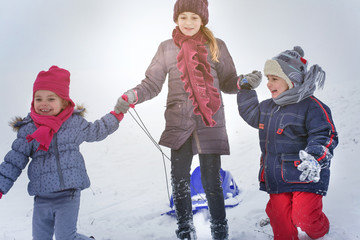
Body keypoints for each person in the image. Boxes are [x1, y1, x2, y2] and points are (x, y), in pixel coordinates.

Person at [114, 0, 261, 239]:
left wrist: (243, 82)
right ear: (176, 19)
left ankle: (219, 230)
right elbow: (152, 83)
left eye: (194, 17)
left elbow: (227, 81)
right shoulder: (166, 48)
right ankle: (185, 230)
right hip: (178, 121)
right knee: (180, 180)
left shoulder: (216, 45)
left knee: (212, 182)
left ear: (203, 19)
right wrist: (132, 95)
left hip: (210, 122)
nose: (189, 23)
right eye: (183, 17)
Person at [0, 66, 124, 240]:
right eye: (38, 98)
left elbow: (96, 131)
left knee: (66, 237)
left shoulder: (74, 124)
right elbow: (14, 161)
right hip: (41, 197)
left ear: (64, 102)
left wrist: (116, 115)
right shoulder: (29, 129)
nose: (43, 103)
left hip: (68, 194)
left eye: (51, 99)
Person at [237, 46, 338, 240]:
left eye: (274, 78)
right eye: (267, 79)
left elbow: (325, 134)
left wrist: (315, 157)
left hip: (305, 175)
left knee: (304, 217)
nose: (268, 84)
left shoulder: (312, 107)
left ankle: (320, 229)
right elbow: (250, 114)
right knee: (280, 222)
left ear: (292, 80)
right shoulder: (268, 107)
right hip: (277, 176)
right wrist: (245, 88)